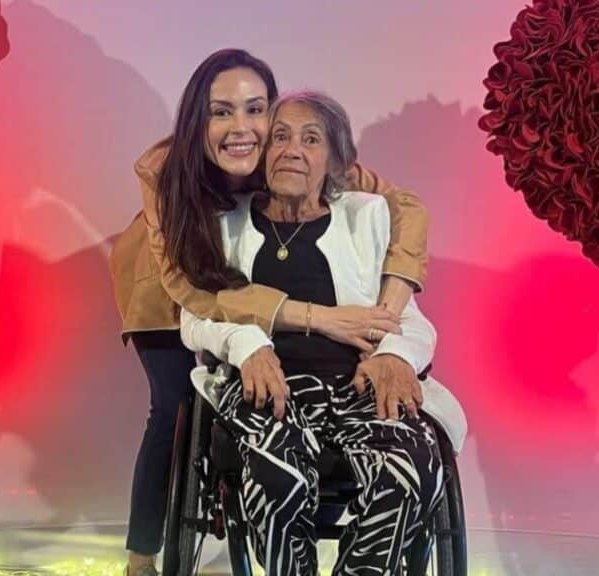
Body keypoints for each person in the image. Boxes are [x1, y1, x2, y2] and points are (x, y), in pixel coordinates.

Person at [109, 49, 430, 576]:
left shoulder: (285, 144)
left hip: (246, 288)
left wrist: (388, 318)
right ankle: (141, 555)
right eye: (221, 111)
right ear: (198, 120)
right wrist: (314, 319)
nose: (242, 127)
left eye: (256, 109)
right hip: (169, 280)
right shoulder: (165, 170)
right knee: (174, 406)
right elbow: (193, 291)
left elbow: (406, 207)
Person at [180, 90, 465, 575]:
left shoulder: (365, 217)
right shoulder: (225, 224)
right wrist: (247, 346)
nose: (292, 150)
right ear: (263, 152)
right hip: (268, 386)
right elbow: (196, 316)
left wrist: (395, 355)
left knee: (411, 467)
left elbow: (406, 317)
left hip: (357, 383)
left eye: (311, 139)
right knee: (279, 474)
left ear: (336, 161)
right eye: (281, 137)